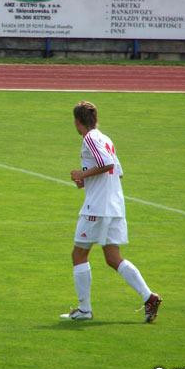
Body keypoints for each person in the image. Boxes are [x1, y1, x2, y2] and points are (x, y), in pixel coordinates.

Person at [60, 101, 162, 323]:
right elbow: (117, 172)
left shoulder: (90, 138)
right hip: (115, 206)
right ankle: (149, 296)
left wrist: (82, 174)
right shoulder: (106, 139)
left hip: (97, 208)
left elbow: (106, 164)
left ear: (78, 122)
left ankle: (84, 310)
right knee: (113, 257)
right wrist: (85, 181)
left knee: (78, 255)